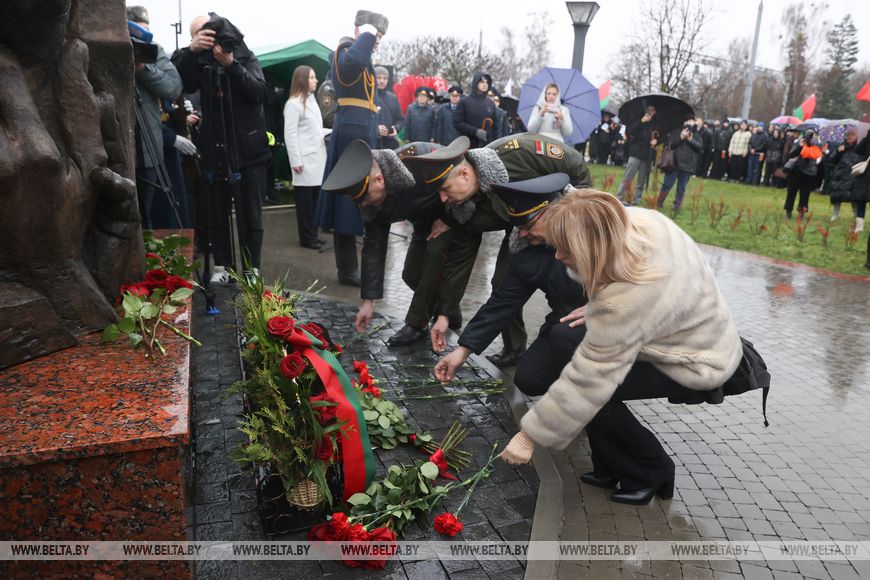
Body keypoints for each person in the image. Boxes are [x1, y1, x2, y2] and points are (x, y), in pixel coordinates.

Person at [499, 190, 753, 506]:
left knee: (594, 392)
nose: (558, 257)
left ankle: (651, 469)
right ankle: (610, 465)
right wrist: (598, 306)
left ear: (589, 247)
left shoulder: (637, 294)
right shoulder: (633, 223)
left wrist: (528, 437)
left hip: (696, 359)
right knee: (566, 341)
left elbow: (588, 380)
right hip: (671, 334)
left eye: (566, 249)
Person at [404, 134, 593, 365]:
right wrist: (445, 314)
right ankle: (515, 348)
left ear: (464, 174)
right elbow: (459, 265)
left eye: (445, 189)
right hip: (522, 231)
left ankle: (575, 338)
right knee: (504, 283)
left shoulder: (519, 153)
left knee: (564, 277)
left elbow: (573, 162)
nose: (443, 199)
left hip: (556, 217)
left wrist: (576, 208)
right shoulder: (463, 211)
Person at [433, 173, 588, 396]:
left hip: (613, 320)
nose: (522, 233)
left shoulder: (593, 232)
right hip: (563, 320)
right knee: (528, 379)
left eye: (527, 225)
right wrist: (462, 351)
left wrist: (599, 308)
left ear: (550, 213)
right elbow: (503, 302)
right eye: (518, 226)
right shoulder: (528, 252)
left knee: (582, 375)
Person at [172, 13, 270, 281]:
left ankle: (252, 268)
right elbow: (176, 80)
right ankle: (222, 266)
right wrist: (190, 52)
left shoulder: (244, 57)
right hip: (214, 148)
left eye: (209, 32)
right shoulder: (197, 62)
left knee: (251, 213)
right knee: (216, 210)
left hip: (249, 150)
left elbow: (259, 92)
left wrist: (231, 64)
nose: (207, 39)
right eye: (199, 35)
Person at [320, 139, 449, 336]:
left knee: (433, 260)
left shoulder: (422, 160)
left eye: (365, 199)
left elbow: (462, 179)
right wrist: (367, 302)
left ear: (380, 179)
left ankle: (418, 324)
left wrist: (448, 218)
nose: (362, 206)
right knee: (411, 274)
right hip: (423, 222)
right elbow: (373, 246)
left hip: (449, 214)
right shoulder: (366, 196)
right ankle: (448, 311)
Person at [315, 10, 388, 287]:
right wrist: (370, 32)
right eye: (373, 39)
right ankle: (347, 270)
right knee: (347, 199)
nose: (375, 43)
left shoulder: (359, 62)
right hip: (352, 133)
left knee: (357, 198)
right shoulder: (346, 53)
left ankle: (350, 267)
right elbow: (355, 58)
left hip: (360, 129)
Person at [127, 6, 183, 229]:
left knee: (146, 215)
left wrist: (143, 68)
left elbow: (173, 88)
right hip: (116, 148)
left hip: (148, 150)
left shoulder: (154, 51)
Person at [283, 65, 328, 250]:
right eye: (312, 77)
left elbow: (316, 130)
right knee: (305, 205)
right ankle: (307, 238)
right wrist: (296, 161)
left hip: (317, 159)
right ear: (302, 80)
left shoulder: (311, 101)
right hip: (305, 162)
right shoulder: (293, 104)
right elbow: (290, 135)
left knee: (315, 203)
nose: (316, 80)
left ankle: (313, 235)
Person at [656, 118, 702, 212]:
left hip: (687, 166)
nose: (689, 123)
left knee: (681, 188)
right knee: (667, 184)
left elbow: (700, 148)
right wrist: (681, 137)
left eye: (691, 121)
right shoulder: (676, 132)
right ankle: (659, 202)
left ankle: (677, 206)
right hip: (674, 164)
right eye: (687, 121)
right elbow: (670, 145)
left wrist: (691, 140)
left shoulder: (696, 134)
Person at [616, 106, 658, 206]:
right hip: (635, 154)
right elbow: (630, 131)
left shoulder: (653, 125)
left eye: (653, 115)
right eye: (650, 114)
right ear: (646, 113)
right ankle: (619, 197)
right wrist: (641, 121)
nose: (651, 117)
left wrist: (655, 141)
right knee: (627, 177)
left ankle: (636, 200)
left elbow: (656, 136)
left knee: (641, 180)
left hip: (646, 156)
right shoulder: (637, 121)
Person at [827, 128, 866, 232]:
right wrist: (837, 152)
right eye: (848, 135)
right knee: (837, 196)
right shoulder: (841, 146)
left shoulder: (860, 147)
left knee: (854, 197)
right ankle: (835, 214)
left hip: (853, 175)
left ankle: (856, 216)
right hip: (840, 175)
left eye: (852, 135)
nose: (850, 137)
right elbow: (831, 160)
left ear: (856, 136)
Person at [783, 129, 822, 219]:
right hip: (796, 170)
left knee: (805, 194)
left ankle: (801, 212)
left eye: (812, 134)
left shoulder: (817, 145)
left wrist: (814, 146)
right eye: (808, 134)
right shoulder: (799, 142)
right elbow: (792, 154)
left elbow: (818, 158)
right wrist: (800, 146)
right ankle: (788, 211)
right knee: (791, 193)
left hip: (809, 173)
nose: (810, 136)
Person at [453, 71, 496, 147]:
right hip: (468, 144)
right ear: (476, 83)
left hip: (487, 146)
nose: (485, 84)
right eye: (482, 82)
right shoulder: (464, 102)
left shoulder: (490, 103)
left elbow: (495, 126)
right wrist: (475, 131)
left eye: (487, 82)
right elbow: (457, 122)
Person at [374, 66, 402, 149]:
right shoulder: (367, 97)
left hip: (390, 145)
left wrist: (395, 128)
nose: (382, 81)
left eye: (385, 78)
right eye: (378, 77)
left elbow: (400, 119)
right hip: (372, 144)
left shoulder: (393, 98)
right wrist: (375, 130)